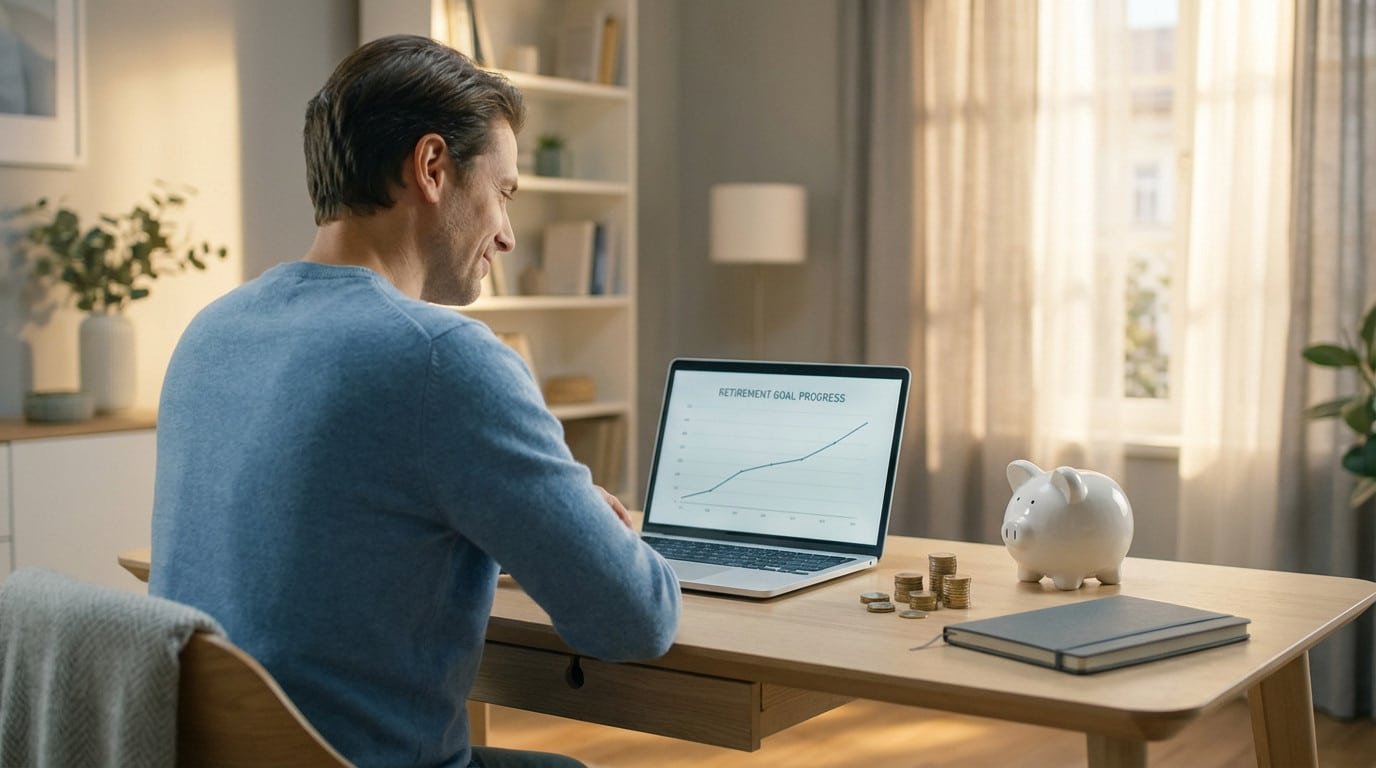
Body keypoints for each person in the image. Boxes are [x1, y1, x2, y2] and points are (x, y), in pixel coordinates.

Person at [149, 35, 681, 768]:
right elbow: (633, 619)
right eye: (503, 193)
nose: (507, 233)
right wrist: (601, 529)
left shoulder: (211, 332)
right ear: (433, 167)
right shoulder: (443, 357)